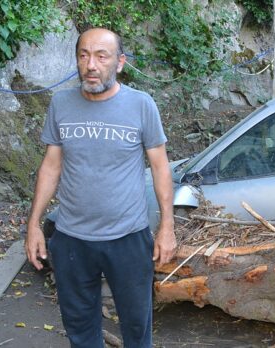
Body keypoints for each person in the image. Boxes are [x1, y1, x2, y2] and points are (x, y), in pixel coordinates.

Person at [25, 28, 176, 348]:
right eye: (83, 55)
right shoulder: (61, 104)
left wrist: (167, 226)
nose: (91, 64)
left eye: (101, 56)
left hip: (128, 240)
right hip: (71, 241)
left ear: (119, 63)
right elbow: (51, 165)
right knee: (80, 331)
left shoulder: (141, 105)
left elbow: (161, 167)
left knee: (137, 329)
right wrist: (34, 225)